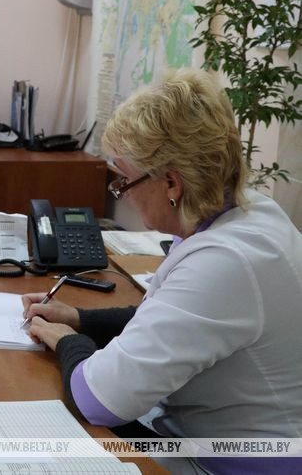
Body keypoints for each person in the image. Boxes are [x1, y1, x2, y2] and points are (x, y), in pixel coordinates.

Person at [22, 69, 302, 473]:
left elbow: (96, 399)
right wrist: (80, 318)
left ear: (171, 182)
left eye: (124, 180)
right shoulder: (252, 212)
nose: (122, 193)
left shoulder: (224, 262)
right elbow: (170, 318)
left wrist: (67, 341)